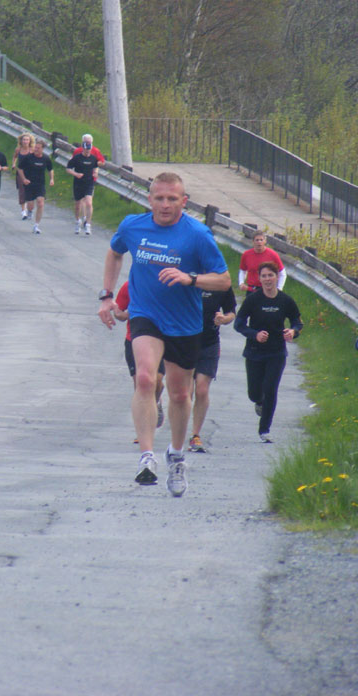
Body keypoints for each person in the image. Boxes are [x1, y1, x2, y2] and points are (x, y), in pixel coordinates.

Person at [98, 172, 231, 496]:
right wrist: (107, 294)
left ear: (184, 201)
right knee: (144, 378)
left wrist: (190, 278)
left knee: (180, 395)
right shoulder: (133, 226)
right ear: (150, 200)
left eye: (173, 199)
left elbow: (224, 280)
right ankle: (146, 457)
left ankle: (175, 454)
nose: (166, 204)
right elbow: (115, 252)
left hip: (184, 324)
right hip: (146, 316)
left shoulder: (197, 235)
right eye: (159, 198)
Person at [234, 261, 302, 443]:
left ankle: (264, 430)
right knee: (255, 393)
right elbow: (238, 324)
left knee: (270, 389)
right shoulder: (253, 300)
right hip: (255, 351)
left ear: (277, 277)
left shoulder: (285, 300)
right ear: (259, 278)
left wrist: (292, 331)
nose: (267, 279)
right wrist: (254, 334)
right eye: (263, 276)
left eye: (270, 275)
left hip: (276, 352)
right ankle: (259, 401)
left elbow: (297, 321)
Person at [113, 280, 166, 436]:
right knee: (141, 384)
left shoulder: (166, 283)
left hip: (161, 338)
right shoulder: (131, 285)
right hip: (134, 339)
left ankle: (155, 402)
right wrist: (128, 312)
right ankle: (143, 430)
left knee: (157, 381)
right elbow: (120, 313)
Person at [188, 286, 236, 453]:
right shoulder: (187, 276)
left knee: (201, 390)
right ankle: (178, 432)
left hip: (209, 343)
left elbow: (231, 312)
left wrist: (223, 319)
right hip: (185, 341)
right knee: (186, 393)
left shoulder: (221, 282)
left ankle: (195, 434)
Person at [18, 138, 54, 234]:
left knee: (40, 203)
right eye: (35, 147)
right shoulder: (28, 157)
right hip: (29, 184)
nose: (36, 149)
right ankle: (29, 211)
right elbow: (20, 168)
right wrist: (24, 179)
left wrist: (51, 179)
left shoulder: (46, 158)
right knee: (30, 205)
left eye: (38, 148)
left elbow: (50, 169)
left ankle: (36, 225)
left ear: (42, 149)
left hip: (40, 184)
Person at [66, 142, 101, 235]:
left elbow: (96, 167)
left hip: (89, 182)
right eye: (86, 149)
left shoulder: (93, 158)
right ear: (83, 149)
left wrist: (95, 172)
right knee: (78, 205)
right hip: (78, 183)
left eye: (89, 149)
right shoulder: (77, 158)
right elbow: (68, 169)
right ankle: (78, 221)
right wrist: (76, 174)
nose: (87, 151)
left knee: (89, 203)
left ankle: (88, 224)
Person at [239, 230, 286, 294]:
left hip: (268, 289)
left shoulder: (273, 255)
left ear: (265, 241)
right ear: (253, 242)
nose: (259, 242)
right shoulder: (246, 255)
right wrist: (241, 283)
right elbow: (243, 271)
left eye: (261, 240)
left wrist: (279, 289)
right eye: (257, 240)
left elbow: (282, 273)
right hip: (252, 289)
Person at [12, 132, 35, 219]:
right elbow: (15, 157)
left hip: (30, 173)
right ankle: (23, 211)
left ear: (30, 141)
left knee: (30, 191)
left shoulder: (32, 149)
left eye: (27, 140)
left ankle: (30, 210)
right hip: (20, 173)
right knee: (22, 191)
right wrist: (14, 164)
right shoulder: (18, 149)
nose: (25, 141)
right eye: (24, 140)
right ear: (21, 141)